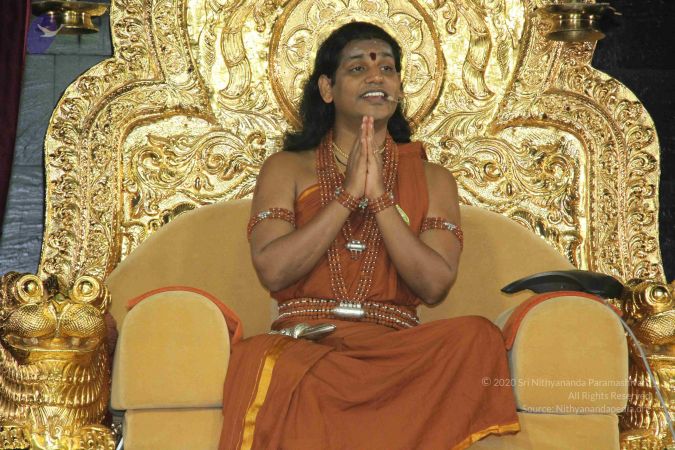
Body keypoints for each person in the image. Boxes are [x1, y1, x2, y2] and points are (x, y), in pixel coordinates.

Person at [219, 21, 520, 449]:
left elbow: (434, 285)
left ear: (399, 89)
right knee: (263, 358)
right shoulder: (287, 167)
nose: (377, 77)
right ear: (327, 88)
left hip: (396, 354)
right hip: (311, 347)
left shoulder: (433, 178)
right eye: (358, 68)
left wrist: (379, 198)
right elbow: (273, 270)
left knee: (477, 336)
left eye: (388, 69)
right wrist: (346, 196)